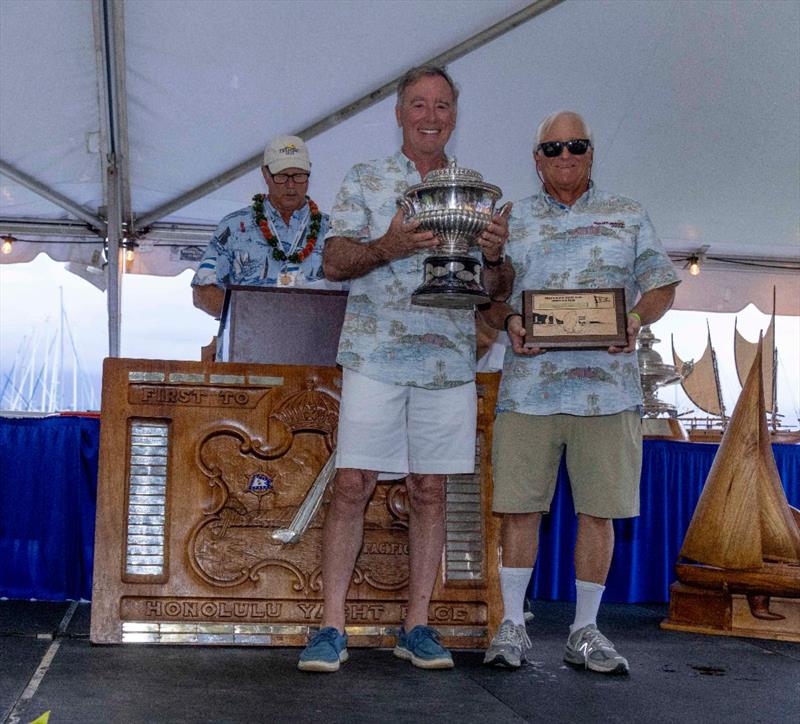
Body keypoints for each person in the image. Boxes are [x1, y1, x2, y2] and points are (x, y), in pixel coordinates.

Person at [296, 65, 512, 672]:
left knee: (431, 489)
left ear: (454, 115)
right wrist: (388, 247)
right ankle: (330, 627)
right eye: (419, 104)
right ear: (399, 113)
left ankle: (417, 624)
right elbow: (333, 261)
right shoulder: (368, 180)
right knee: (351, 486)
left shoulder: (474, 191)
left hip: (448, 360)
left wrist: (495, 255)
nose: (430, 116)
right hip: (374, 356)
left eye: (442, 106)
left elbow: (498, 288)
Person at [480, 111, 679, 674]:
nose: (565, 155)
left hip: (609, 395)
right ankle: (513, 625)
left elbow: (660, 283)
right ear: (536, 158)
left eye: (577, 145)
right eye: (553, 147)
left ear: (591, 152)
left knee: (601, 513)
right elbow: (490, 299)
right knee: (519, 510)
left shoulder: (629, 214)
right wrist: (510, 321)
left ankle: (585, 630)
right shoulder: (508, 220)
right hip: (529, 392)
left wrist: (636, 318)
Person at [191, 135, 333, 319]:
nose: (291, 186)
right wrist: (253, 320)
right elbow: (203, 292)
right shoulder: (234, 226)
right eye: (281, 176)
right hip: (249, 341)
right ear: (265, 174)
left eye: (299, 176)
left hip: (315, 341)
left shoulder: (333, 230)